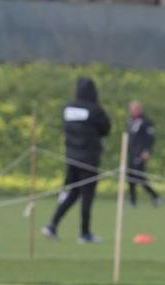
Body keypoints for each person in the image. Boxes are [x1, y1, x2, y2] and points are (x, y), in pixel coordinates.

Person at [42, 76, 110, 243]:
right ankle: (84, 233)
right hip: (88, 159)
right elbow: (106, 128)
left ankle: (52, 225)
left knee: (72, 193)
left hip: (71, 157)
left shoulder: (68, 108)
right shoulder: (94, 110)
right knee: (87, 196)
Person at [126, 100, 161, 207]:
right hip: (131, 154)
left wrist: (147, 151)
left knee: (140, 177)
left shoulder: (146, 122)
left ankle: (156, 197)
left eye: (135, 109)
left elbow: (150, 138)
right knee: (130, 177)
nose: (132, 111)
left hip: (140, 154)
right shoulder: (130, 121)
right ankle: (132, 200)